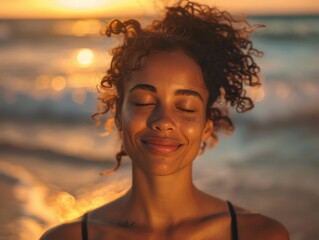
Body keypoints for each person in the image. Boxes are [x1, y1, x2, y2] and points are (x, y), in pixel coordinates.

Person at [41, 0, 290, 239]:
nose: (164, 120)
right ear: (119, 115)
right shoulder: (67, 238)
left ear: (206, 127)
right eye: (143, 102)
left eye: (185, 107)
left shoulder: (260, 235)